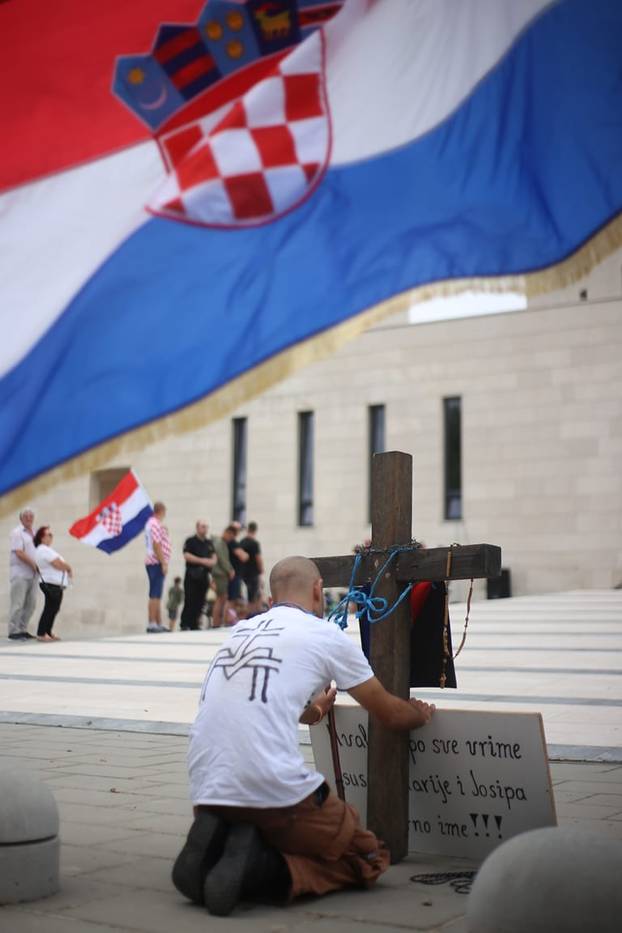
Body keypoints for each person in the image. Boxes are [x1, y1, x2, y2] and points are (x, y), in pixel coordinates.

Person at [172, 555, 434, 916]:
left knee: (283, 829)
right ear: (317, 591)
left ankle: (221, 846)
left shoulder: (239, 632)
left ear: (270, 597)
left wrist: (315, 711)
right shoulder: (324, 635)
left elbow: (259, 700)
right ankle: (259, 867)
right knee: (370, 855)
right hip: (275, 797)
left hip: (206, 794)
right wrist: (419, 714)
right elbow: (389, 712)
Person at [33, 526, 72, 642]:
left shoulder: (43, 550)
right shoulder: (43, 550)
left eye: (51, 535)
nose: (51, 537)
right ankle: (41, 633)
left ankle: (47, 632)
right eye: (48, 535)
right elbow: (57, 563)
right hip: (51, 583)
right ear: (42, 538)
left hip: (53, 583)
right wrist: (69, 568)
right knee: (50, 608)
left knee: (53, 608)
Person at [8, 507, 38, 641]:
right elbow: (19, 552)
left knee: (31, 604)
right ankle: (13, 631)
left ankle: (23, 629)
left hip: (33, 575)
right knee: (18, 603)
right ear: (21, 518)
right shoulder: (17, 532)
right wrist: (33, 564)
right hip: (20, 573)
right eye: (26, 516)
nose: (29, 518)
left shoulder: (35, 533)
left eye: (31, 516)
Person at [181, 521, 216, 631]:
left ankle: (195, 623)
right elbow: (187, 556)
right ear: (197, 528)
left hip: (204, 575)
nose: (204, 529)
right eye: (202, 527)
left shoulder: (209, 543)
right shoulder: (190, 541)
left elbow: (214, 560)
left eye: (206, 527)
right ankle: (185, 623)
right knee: (190, 599)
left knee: (201, 601)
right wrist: (203, 561)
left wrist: (205, 562)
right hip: (192, 574)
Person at [145, 501, 172, 633]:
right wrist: (164, 562)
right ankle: (152, 623)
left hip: (155, 562)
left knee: (157, 593)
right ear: (161, 510)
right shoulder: (154, 523)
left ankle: (158, 622)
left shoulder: (154, 524)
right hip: (156, 562)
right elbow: (156, 544)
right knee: (154, 594)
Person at [239, 522, 264, 613]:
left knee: (248, 595)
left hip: (243, 573)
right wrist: (261, 570)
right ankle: (252, 614)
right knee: (254, 596)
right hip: (253, 573)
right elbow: (258, 558)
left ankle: (250, 614)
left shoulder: (242, 542)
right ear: (255, 530)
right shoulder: (254, 543)